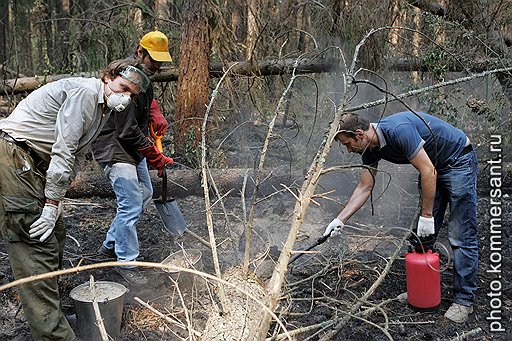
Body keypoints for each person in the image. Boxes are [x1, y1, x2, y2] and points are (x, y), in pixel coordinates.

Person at [0, 60, 150, 341]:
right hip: (13, 154)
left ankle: (52, 316)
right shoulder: (85, 93)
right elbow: (64, 150)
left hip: (33, 163)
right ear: (108, 78)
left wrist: (56, 200)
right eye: (123, 87)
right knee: (35, 244)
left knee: (55, 235)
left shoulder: (102, 107)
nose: (126, 96)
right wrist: (49, 204)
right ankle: (53, 334)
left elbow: (78, 154)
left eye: (131, 94)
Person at [324, 111, 478, 324]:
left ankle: (464, 300)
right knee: (420, 236)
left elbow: (428, 171)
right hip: (432, 166)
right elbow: (365, 187)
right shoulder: (370, 149)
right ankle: (420, 289)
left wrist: (427, 215)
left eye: (347, 143)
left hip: (457, 159)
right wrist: (340, 220)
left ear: (359, 134)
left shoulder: (398, 131)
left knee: (461, 233)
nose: (348, 150)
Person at [92, 30, 174, 285]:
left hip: (131, 150)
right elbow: (126, 130)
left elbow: (146, 101)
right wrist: (154, 155)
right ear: (140, 52)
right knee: (130, 205)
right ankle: (126, 262)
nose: (158, 65)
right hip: (115, 148)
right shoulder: (125, 76)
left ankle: (110, 245)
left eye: (161, 60)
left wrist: (154, 113)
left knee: (145, 195)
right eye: (153, 59)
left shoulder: (143, 78)